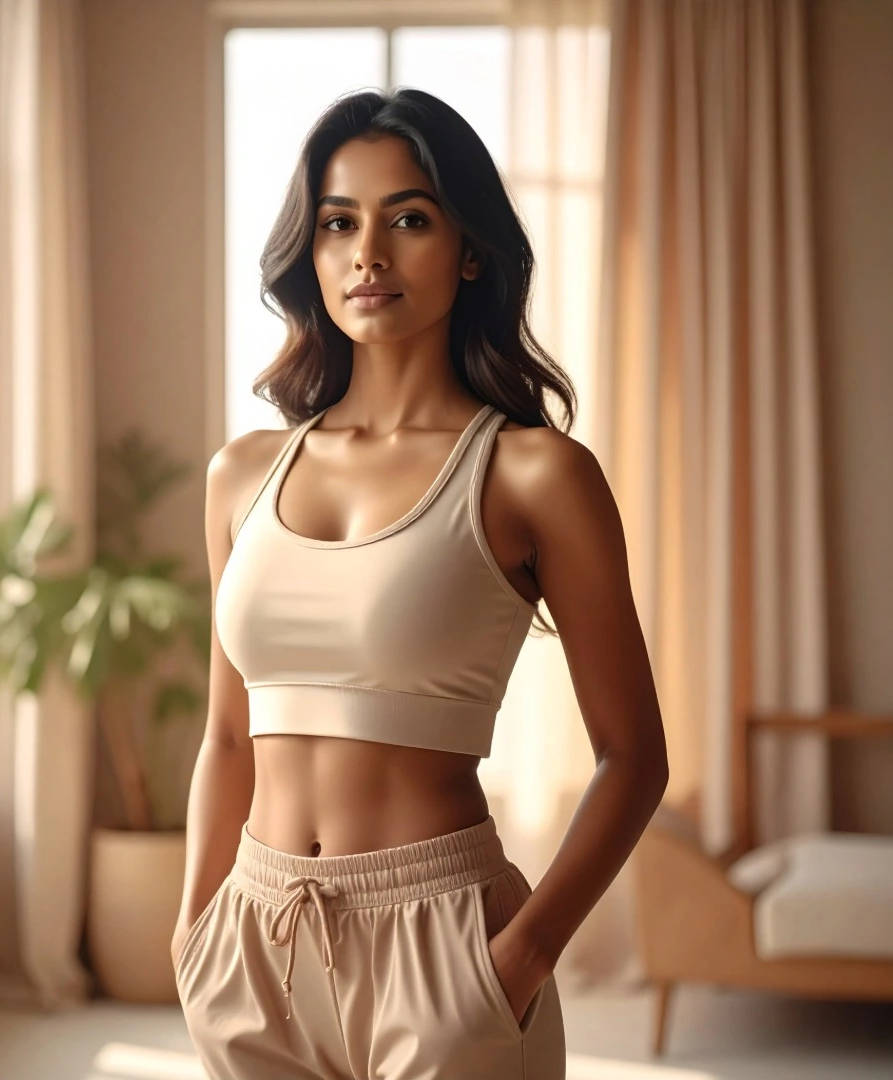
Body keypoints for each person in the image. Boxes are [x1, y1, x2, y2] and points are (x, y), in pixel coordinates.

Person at [170, 87, 668, 1080]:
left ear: (470, 249)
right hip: (253, 943)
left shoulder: (535, 474)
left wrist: (516, 963)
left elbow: (633, 757)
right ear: (309, 257)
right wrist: (196, 930)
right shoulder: (241, 474)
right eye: (338, 223)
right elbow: (229, 734)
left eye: (408, 218)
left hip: (445, 948)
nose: (369, 254)